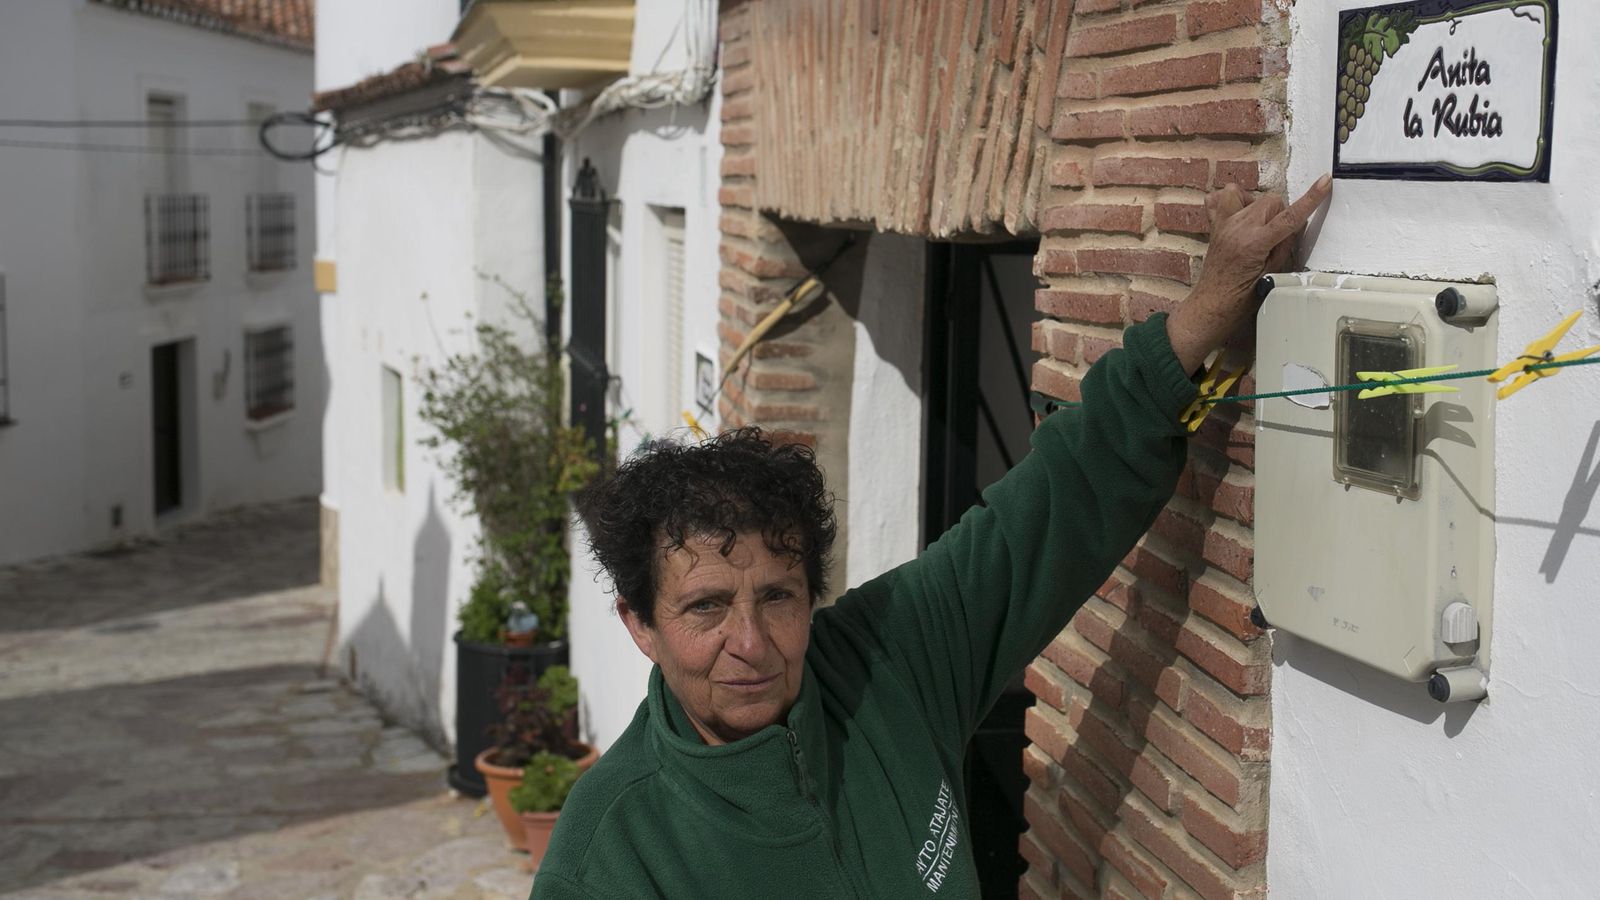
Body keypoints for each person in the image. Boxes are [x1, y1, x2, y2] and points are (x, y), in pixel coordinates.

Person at [529, 177, 1333, 898]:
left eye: (778, 595)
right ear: (640, 625)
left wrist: (1200, 321)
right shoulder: (611, 857)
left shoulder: (886, 660)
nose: (752, 642)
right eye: (705, 607)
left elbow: (1046, 509)